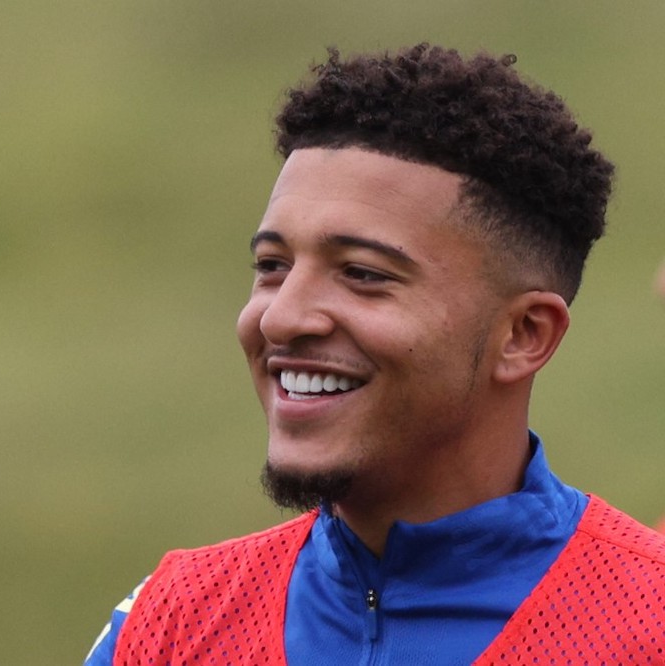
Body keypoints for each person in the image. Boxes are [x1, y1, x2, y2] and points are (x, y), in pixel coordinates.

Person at [84, 44, 665, 665]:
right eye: (273, 266)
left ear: (524, 334)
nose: (281, 318)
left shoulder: (646, 623)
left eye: (362, 274)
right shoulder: (171, 621)